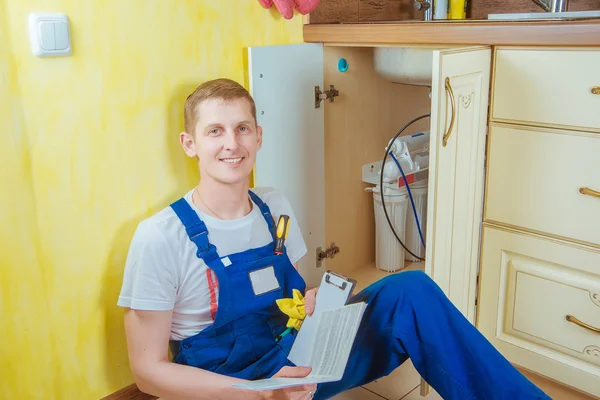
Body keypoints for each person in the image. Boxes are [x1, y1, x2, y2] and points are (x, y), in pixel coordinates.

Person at [118, 78, 550, 400]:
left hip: (296, 366)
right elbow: (148, 372)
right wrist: (262, 393)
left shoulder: (274, 204)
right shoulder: (160, 237)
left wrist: (313, 303)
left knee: (410, 290)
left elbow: (297, 295)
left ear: (258, 135)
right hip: (228, 390)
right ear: (189, 144)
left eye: (242, 129)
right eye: (215, 131)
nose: (232, 144)